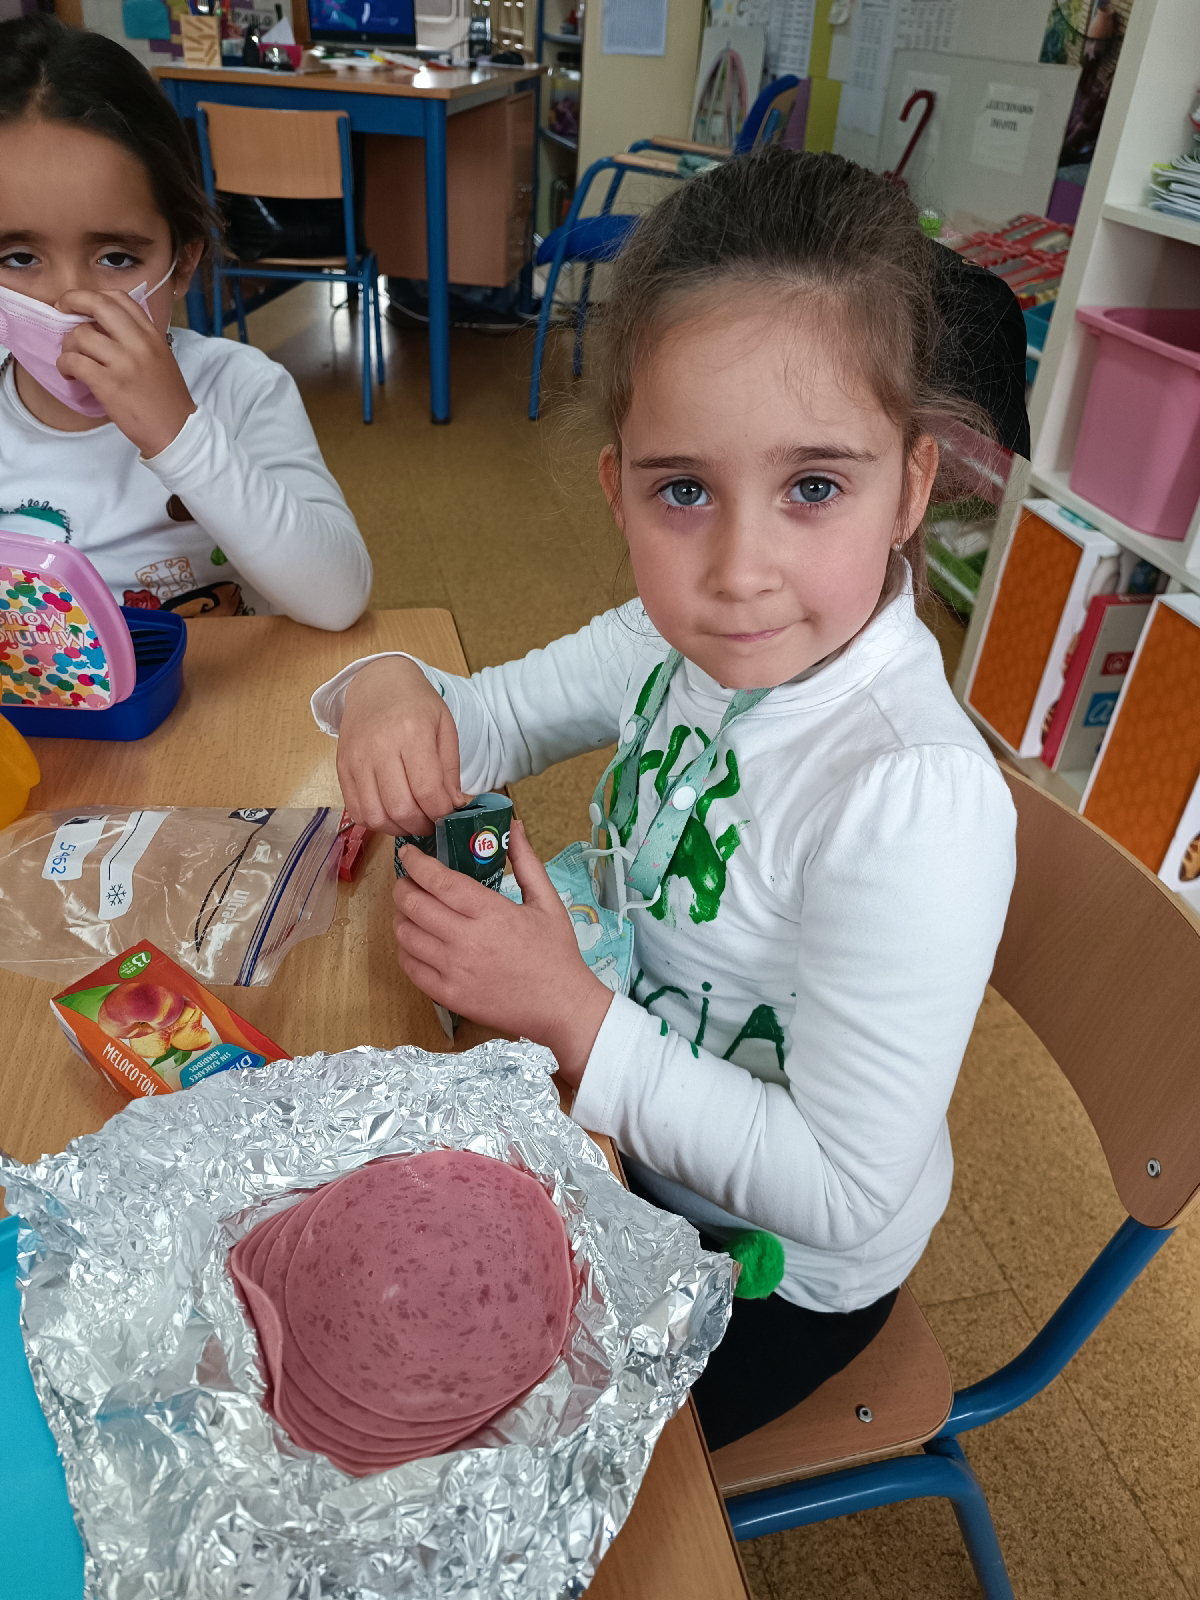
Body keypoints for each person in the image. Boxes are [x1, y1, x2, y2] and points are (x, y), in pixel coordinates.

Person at [312, 148, 1017, 1450]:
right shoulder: (666, 636)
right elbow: (486, 715)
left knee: (437, 1442)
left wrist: (573, 1017)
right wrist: (382, 689)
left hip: (763, 1267)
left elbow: (842, 1189)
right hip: (622, 1130)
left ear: (912, 486)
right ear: (619, 489)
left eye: (814, 487)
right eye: (685, 490)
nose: (741, 570)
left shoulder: (913, 799)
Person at [0, 15, 371, 627]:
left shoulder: (241, 389)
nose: (69, 302)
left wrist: (181, 436)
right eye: (19, 258)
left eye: (116, 258)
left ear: (183, 264)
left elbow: (339, 598)